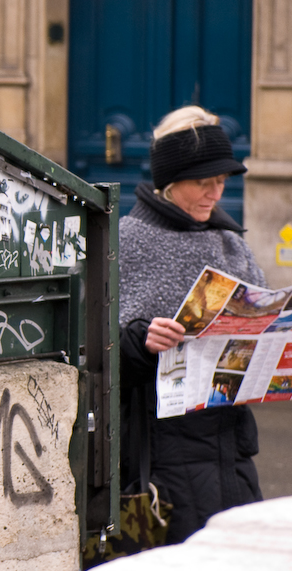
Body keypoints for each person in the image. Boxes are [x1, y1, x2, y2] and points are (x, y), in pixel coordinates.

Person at [118, 105, 263, 544]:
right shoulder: (127, 241)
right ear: (169, 181)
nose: (215, 194)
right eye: (203, 182)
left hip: (233, 451)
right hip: (163, 457)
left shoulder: (231, 242)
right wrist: (140, 343)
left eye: (222, 181)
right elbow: (96, 354)